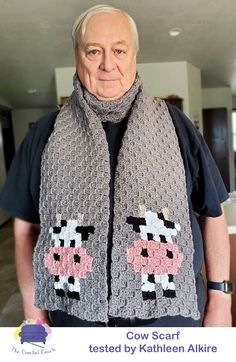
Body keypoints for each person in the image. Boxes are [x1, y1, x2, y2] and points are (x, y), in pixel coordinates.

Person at [0, 4, 233, 327]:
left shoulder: (176, 125)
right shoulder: (45, 132)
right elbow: (25, 229)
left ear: (134, 55)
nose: (108, 65)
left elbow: (213, 213)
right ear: (77, 56)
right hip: (76, 318)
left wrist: (221, 298)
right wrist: (32, 309)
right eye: (94, 51)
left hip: (169, 318)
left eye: (119, 50)